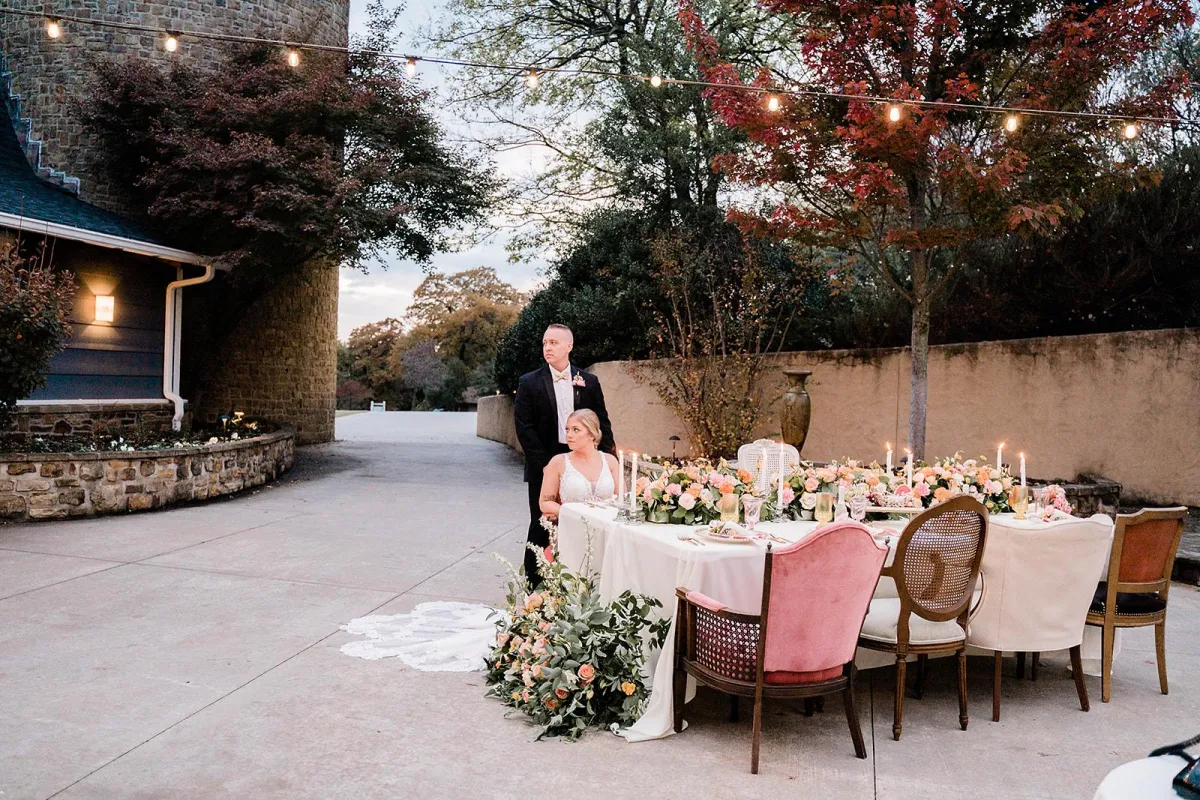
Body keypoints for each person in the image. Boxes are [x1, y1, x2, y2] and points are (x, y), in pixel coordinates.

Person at [513, 324, 615, 584]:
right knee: (542, 524)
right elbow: (524, 429)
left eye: (554, 343)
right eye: (545, 342)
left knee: (588, 522)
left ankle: (583, 581)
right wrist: (548, 466)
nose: (548, 347)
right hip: (545, 462)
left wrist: (606, 459)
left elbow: (601, 421)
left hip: (583, 460)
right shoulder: (529, 382)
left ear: (569, 346)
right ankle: (534, 589)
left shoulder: (588, 381)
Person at [539, 409, 620, 521]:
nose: (569, 435)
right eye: (567, 430)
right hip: (573, 526)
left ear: (592, 434)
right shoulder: (558, 462)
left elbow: (623, 499)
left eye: (576, 430)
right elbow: (545, 502)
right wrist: (574, 515)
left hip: (607, 526)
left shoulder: (610, 461)